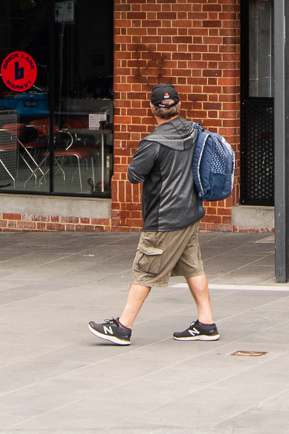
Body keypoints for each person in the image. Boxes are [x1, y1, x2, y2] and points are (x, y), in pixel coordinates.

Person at [88, 84, 218, 345]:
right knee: (194, 268)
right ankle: (206, 324)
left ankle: (123, 327)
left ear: (152, 108)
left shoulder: (153, 142)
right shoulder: (195, 131)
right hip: (190, 212)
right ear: (178, 106)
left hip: (164, 218)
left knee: (144, 270)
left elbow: (134, 175)